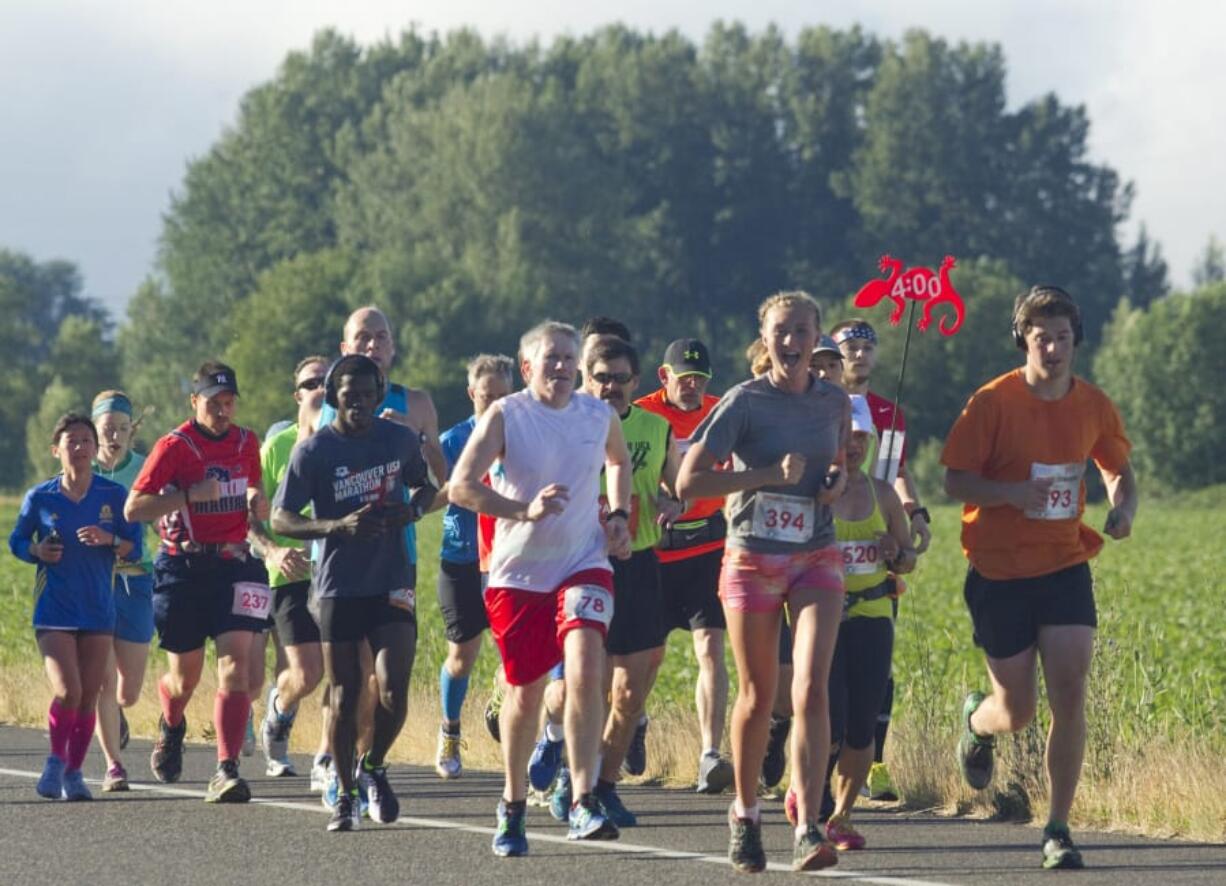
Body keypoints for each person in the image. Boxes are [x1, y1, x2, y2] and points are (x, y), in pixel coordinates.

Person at [943, 285, 1137, 870]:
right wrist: (1011, 493)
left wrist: (1122, 507)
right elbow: (955, 481)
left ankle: (1057, 827)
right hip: (999, 570)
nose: (1052, 348)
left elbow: (1117, 468)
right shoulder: (992, 402)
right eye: (1040, 338)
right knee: (1017, 710)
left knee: (1071, 692)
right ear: (1023, 341)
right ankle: (978, 721)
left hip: (1064, 562)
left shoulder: (1093, 404)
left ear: (1076, 340)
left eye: (1061, 337)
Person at [678, 291, 850, 873]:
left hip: (815, 555)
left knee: (810, 688)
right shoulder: (743, 403)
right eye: (782, 331)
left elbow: (842, 473)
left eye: (803, 330)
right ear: (766, 337)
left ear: (816, 335)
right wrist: (762, 476)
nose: (792, 342)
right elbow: (688, 481)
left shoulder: (834, 401)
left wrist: (831, 484)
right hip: (752, 557)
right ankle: (746, 812)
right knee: (755, 697)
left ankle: (807, 826)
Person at [449, 320, 633, 856]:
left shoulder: (597, 414)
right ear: (526, 368)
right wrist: (522, 511)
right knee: (525, 695)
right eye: (548, 358)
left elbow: (618, 461)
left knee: (584, 666)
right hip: (518, 574)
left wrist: (617, 514)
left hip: (583, 562)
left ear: (579, 366)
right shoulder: (508, 415)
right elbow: (460, 486)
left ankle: (582, 799)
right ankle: (512, 804)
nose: (559, 366)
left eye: (567, 358)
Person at [271, 354, 436, 832]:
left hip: (392, 578)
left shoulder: (400, 439)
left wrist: (414, 511)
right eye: (349, 397)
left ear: (379, 395)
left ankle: (376, 765)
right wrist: (335, 526)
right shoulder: (314, 451)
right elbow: (282, 517)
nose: (359, 404)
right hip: (339, 585)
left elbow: (424, 487)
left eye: (367, 395)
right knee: (343, 696)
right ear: (334, 398)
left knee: (391, 687)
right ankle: (345, 796)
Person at [536, 335, 682, 826]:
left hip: (637, 565)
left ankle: (604, 785)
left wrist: (673, 503)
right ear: (585, 378)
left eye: (621, 379)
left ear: (635, 383)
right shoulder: (563, 424)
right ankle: (565, 762)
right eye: (602, 378)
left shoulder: (657, 428)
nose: (612, 387)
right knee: (584, 685)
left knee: (628, 694)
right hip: (579, 563)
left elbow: (677, 487)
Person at [314, 306, 446, 806]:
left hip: (396, 557)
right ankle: (336, 763)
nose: (372, 346)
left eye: (381, 337)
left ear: (393, 347)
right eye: (362, 338)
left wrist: (412, 441)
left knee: (385, 681)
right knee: (350, 678)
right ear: (345, 346)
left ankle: (368, 764)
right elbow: (306, 483)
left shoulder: (415, 403)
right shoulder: (324, 406)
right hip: (340, 562)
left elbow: (441, 480)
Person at [126, 361, 271, 803]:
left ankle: (225, 769)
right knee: (183, 678)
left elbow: (251, 493)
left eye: (229, 403)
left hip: (234, 564)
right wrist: (187, 495)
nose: (223, 411)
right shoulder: (175, 446)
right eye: (213, 403)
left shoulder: (247, 442)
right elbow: (135, 508)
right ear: (195, 402)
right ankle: (172, 723)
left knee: (236, 667)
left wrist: (255, 501)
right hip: (183, 569)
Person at [791, 395, 916, 850]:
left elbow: (908, 560)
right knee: (830, 718)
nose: (856, 445)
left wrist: (895, 552)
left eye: (863, 437)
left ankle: (842, 816)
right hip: (822, 617)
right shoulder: (813, 492)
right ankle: (809, 790)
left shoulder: (882, 494)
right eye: (848, 436)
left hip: (873, 615)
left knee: (862, 725)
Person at [11, 413, 141, 801]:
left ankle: (74, 771)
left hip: (98, 608)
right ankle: (54, 761)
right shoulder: (41, 497)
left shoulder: (112, 495)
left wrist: (108, 538)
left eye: (87, 441)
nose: (82, 448)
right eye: (73, 442)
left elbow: (132, 543)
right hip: (55, 608)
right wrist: (36, 550)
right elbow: (16, 540)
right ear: (57, 451)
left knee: (89, 693)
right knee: (68, 689)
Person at [830, 317, 931, 802]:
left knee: (877, 667)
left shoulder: (888, 415)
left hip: (873, 543)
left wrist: (914, 514)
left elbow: (895, 472)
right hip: (824, 545)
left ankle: (874, 762)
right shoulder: (818, 404)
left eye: (868, 348)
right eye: (850, 347)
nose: (860, 356)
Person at [636, 338, 735, 793]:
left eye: (700, 379)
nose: (693, 386)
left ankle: (709, 754)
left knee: (710, 651)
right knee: (648, 657)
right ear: (665, 376)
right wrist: (661, 497)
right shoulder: (642, 414)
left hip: (708, 550)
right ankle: (633, 719)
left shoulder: (722, 412)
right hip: (657, 551)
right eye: (685, 378)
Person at [434, 354, 515, 779]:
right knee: (462, 655)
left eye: (504, 396)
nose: (496, 404)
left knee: (516, 655)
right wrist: (458, 487)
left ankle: (502, 702)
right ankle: (449, 728)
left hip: (507, 560)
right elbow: (427, 500)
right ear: (471, 395)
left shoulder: (522, 434)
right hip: (461, 557)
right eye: (487, 397)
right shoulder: (453, 440)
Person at [249, 356, 329, 779]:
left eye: (326, 381)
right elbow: (249, 515)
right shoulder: (277, 448)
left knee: (346, 673)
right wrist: (272, 552)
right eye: (310, 382)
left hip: (338, 574)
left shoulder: (346, 441)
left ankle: (328, 762)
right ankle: (279, 710)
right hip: (291, 574)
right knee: (307, 673)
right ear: (297, 394)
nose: (320, 387)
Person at [89, 391, 155, 792]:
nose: (114, 436)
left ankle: (118, 713)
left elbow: (164, 515)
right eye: (107, 429)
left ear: (133, 432)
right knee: (102, 683)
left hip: (136, 578)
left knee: (128, 691)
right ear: (95, 431)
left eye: (122, 429)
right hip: (94, 582)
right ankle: (114, 764)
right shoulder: (83, 470)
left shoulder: (145, 469)